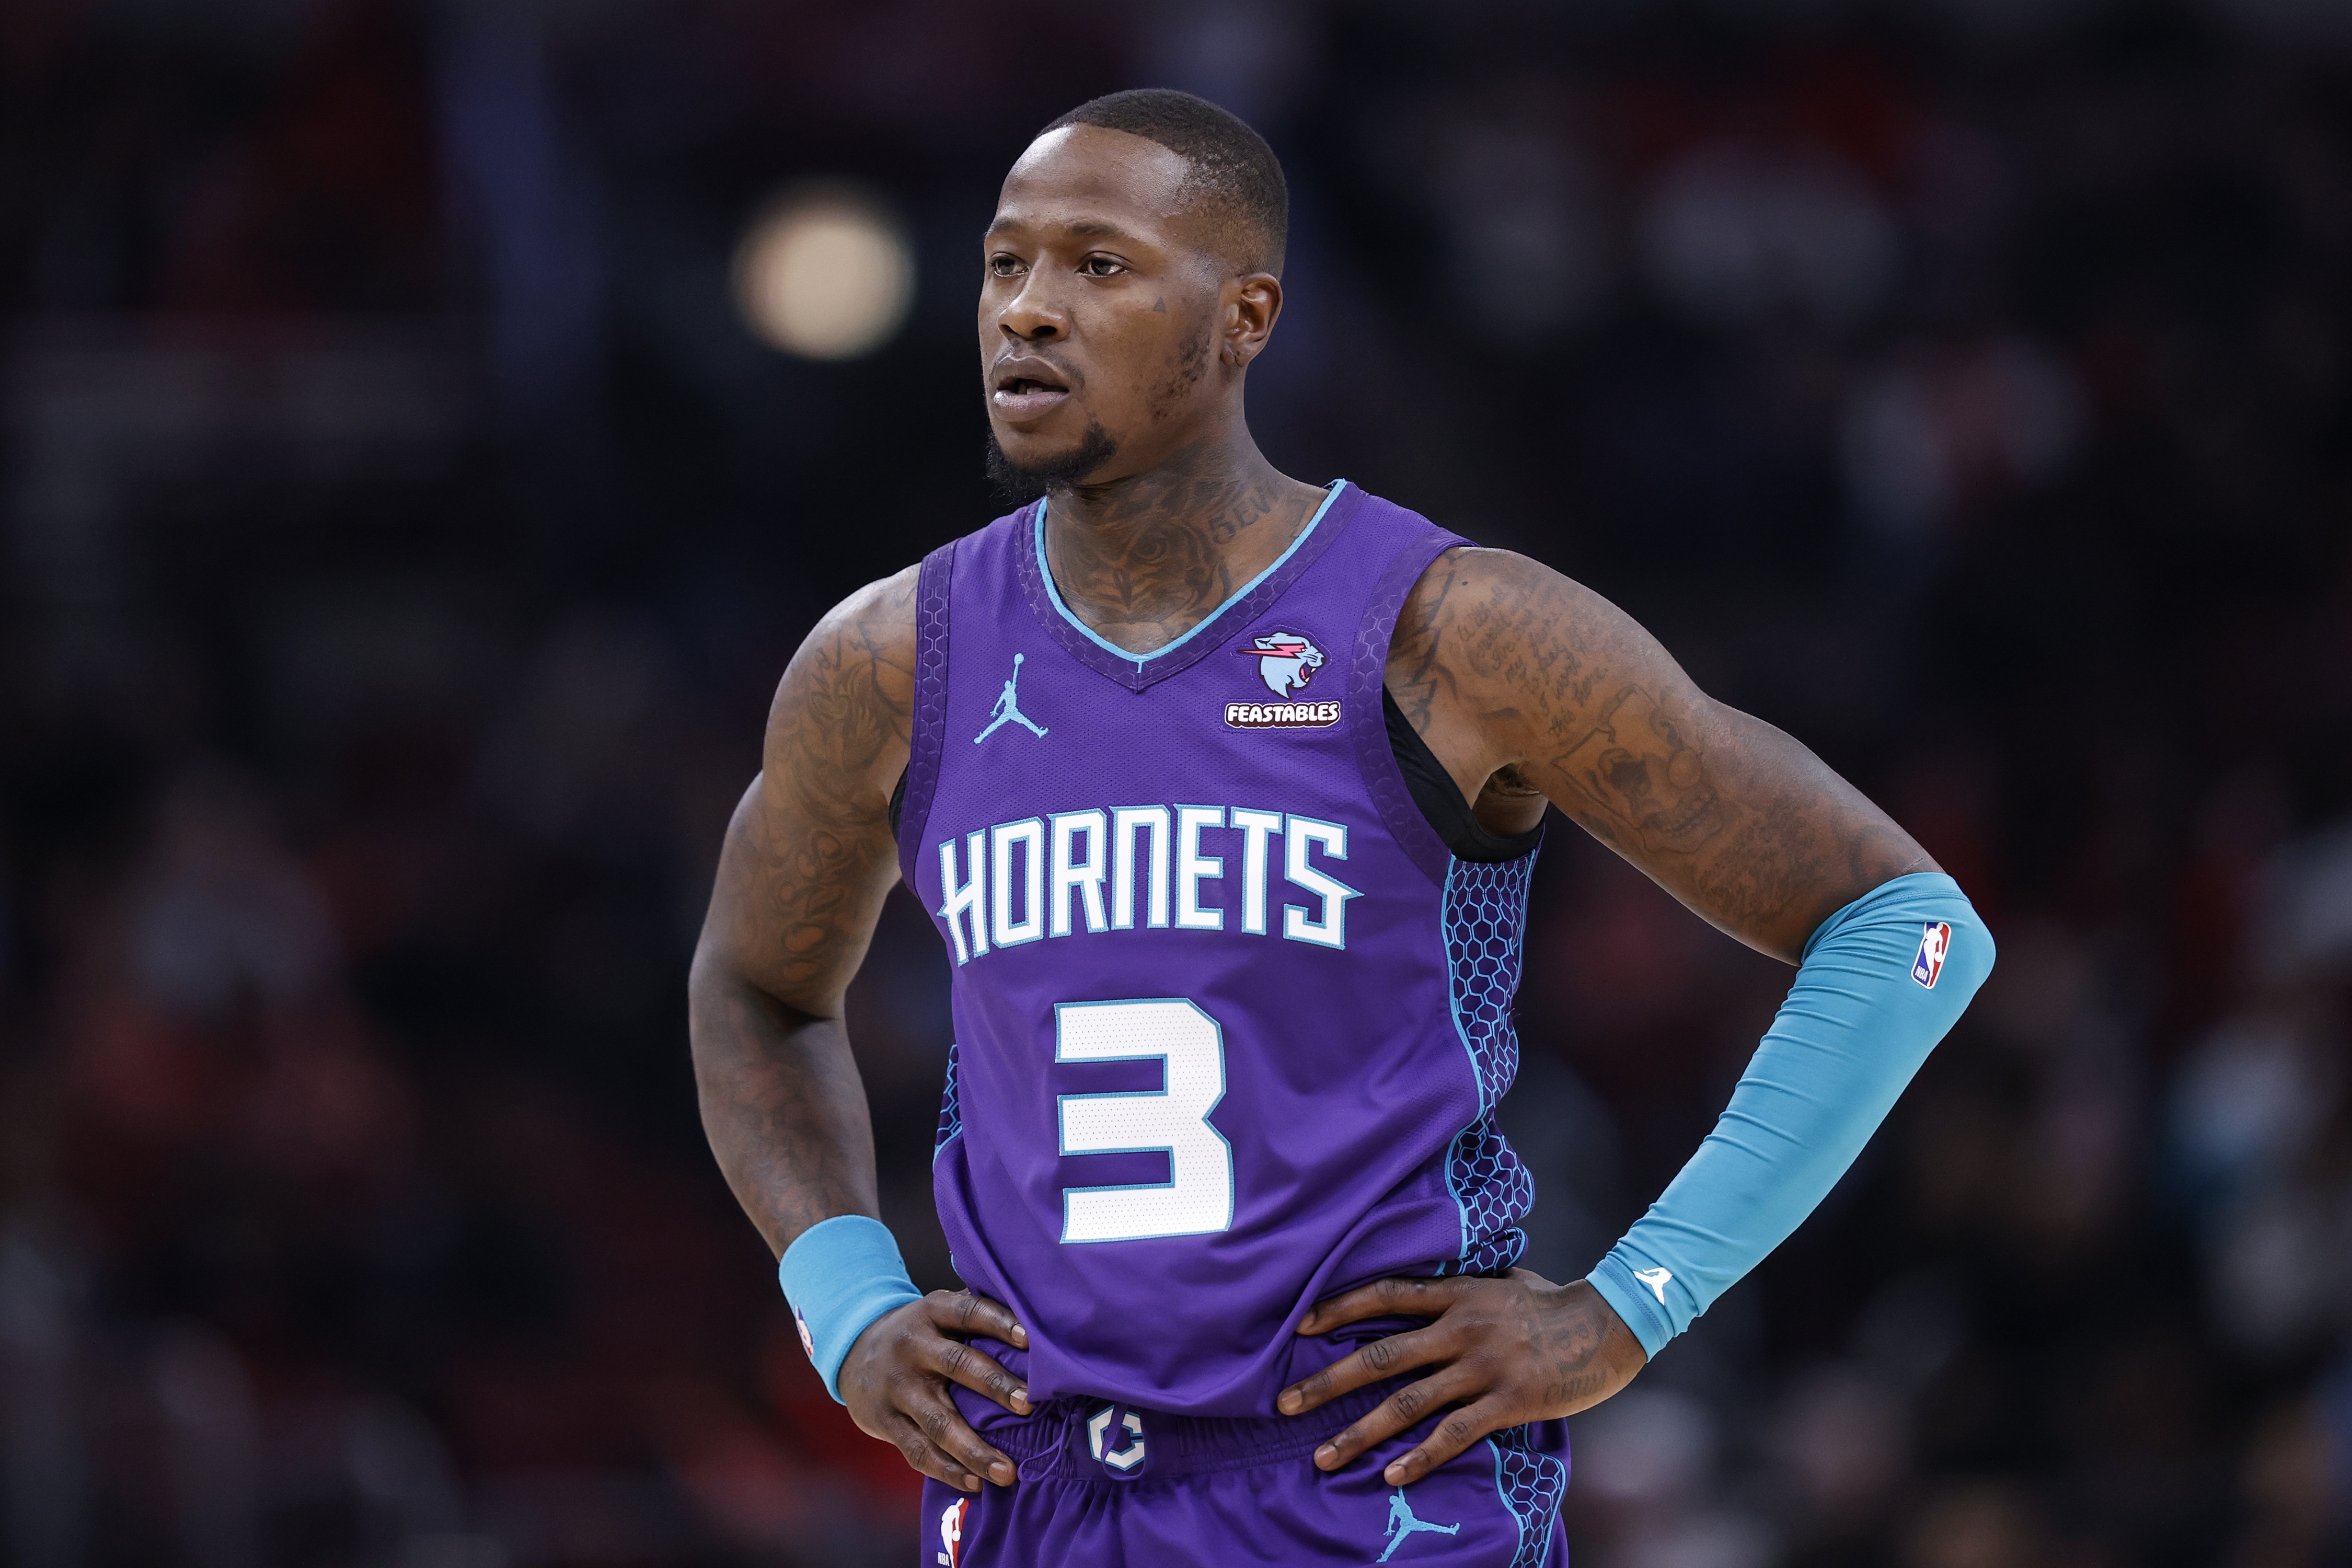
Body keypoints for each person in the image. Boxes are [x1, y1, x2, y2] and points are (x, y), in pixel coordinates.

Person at [688, 88, 1992, 1565]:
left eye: (1098, 264)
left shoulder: (1453, 631)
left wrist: (1636, 1302)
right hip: (1029, 1488)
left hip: (1365, 1484)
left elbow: (1909, 928)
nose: (1029, 310)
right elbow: (754, 989)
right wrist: (847, 1301)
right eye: (1005, 263)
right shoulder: (889, 661)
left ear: (1245, 316)